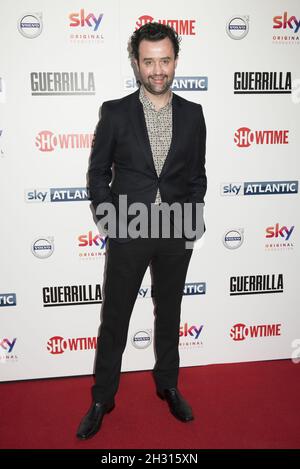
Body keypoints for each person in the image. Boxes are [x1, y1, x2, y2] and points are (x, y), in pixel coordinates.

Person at [76, 22, 207, 440]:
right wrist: (109, 218)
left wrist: (193, 216)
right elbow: (97, 174)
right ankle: (102, 397)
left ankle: (168, 384)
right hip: (129, 228)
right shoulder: (114, 112)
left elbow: (197, 174)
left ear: (175, 61)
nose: (157, 70)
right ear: (136, 62)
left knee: (169, 314)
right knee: (115, 318)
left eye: (164, 60)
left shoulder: (193, 114)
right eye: (148, 61)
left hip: (175, 230)